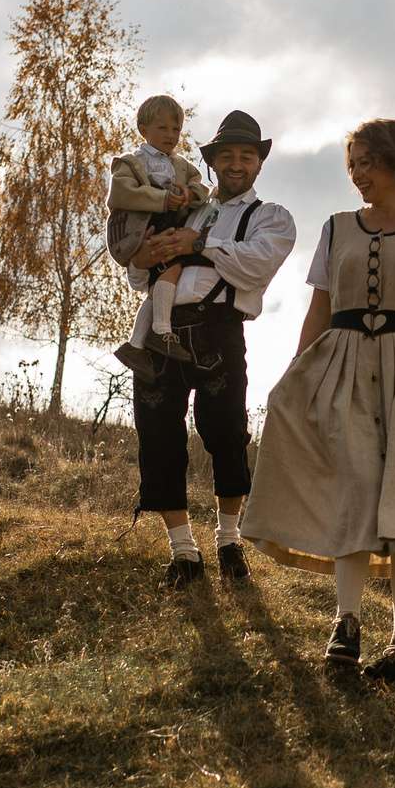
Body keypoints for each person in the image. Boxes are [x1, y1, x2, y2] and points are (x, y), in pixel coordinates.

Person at [243, 118, 395, 681]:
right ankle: (345, 624)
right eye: (352, 166)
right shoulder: (335, 228)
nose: (358, 176)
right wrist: (298, 372)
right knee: (354, 485)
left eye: (366, 163)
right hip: (343, 363)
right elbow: (320, 307)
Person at [121, 109, 297, 589]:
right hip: (163, 328)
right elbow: (140, 274)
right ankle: (183, 551)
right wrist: (146, 254)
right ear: (213, 162)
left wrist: (195, 244)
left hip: (219, 328)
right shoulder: (185, 205)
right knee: (157, 435)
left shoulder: (272, 217)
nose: (236, 164)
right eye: (226, 156)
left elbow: (255, 268)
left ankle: (228, 541)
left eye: (245, 155)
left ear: (259, 163)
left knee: (224, 433)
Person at [109, 95, 212, 372]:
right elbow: (120, 193)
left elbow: (201, 190)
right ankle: (161, 331)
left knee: (157, 285)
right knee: (175, 267)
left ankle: (135, 344)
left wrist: (188, 194)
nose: (170, 135)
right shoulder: (132, 162)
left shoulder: (181, 165)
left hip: (170, 221)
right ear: (143, 130)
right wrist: (161, 199)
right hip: (147, 224)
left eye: (176, 129)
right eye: (162, 128)